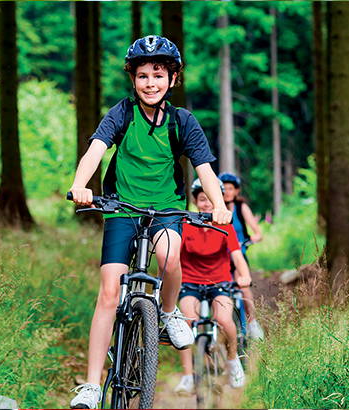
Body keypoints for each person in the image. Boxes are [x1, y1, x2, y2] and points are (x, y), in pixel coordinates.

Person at [69, 35, 231, 409]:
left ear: (172, 79)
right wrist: (80, 185)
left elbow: (205, 170)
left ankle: (168, 310)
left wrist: (219, 206)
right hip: (122, 208)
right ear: (133, 80)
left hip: (167, 209)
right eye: (142, 75)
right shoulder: (121, 114)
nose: (150, 83)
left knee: (171, 259)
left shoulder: (182, 121)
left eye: (158, 74)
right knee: (109, 291)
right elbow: (96, 149)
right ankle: (92, 386)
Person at [174, 179, 252, 394]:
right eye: (201, 199)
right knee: (186, 323)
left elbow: (237, 255)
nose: (206, 204)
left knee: (225, 319)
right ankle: (188, 376)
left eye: (210, 199)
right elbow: (173, 256)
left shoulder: (224, 225)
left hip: (219, 282)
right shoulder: (186, 224)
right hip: (190, 282)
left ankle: (233, 362)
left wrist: (244, 276)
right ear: (195, 201)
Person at [218, 171, 264, 340]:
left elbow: (257, 232)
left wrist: (251, 239)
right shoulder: (215, 208)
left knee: (244, 288)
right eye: (224, 188)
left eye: (231, 188)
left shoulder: (240, 208)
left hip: (238, 256)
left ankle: (252, 322)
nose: (227, 192)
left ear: (237, 191)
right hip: (220, 257)